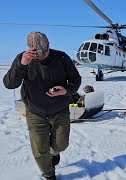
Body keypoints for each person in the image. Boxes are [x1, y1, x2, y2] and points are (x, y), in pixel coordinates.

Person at [3, 32, 81, 180]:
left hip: (60, 110)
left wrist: (66, 90)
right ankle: (49, 174)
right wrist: (22, 65)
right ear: (29, 49)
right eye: (36, 54)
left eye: (43, 53)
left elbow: (76, 80)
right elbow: (9, 84)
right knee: (40, 149)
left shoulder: (62, 58)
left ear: (48, 46)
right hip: (35, 111)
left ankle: (54, 153)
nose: (41, 56)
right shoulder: (22, 59)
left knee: (61, 145)